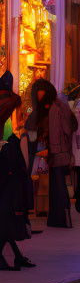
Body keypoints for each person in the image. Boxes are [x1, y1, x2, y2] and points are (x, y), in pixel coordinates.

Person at [33, 81, 77, 230]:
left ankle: (63, 218)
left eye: (39, 91)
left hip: (58, 152)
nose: (38, 95)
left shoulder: (54, 108)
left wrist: (54, 149)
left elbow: (60, 131)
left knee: (58, 186)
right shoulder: (59, 106)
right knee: (57, 186)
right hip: (60, 151)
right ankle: (58, 218)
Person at [0, 74, 32, 270]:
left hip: (8, 169)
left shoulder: (6, 119)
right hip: (6, 171)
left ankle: (16, 255)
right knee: (7, 212)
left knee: (8, 213)